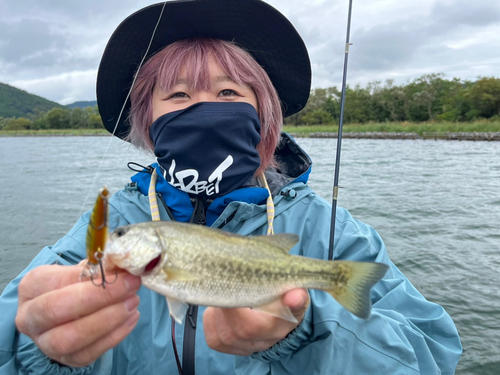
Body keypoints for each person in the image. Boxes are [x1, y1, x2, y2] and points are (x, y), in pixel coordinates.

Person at [0, 1, 462, 374]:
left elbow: (431, 354)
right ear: (146, 122)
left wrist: (304, 331)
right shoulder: (105, 228)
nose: (205, 108)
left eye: (228, 93)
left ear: (264, 115)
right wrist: (37, 351)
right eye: (179, 96)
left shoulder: (331, 231)